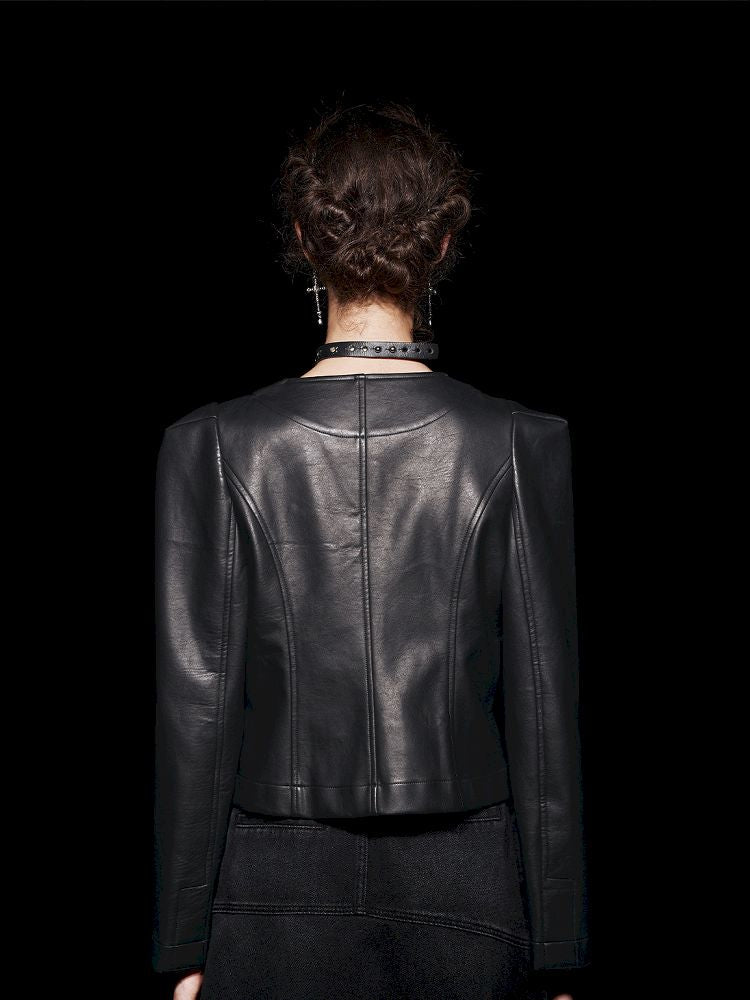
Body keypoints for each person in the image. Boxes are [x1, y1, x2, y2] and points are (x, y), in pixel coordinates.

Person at [152, 101, 590, 1000]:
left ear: (305, 238)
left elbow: (197, 712)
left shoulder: (216, 445)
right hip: (469, 877)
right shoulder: (518, 443)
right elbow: (546, 714)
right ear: (441, 244)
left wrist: (181, 945)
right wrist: (559, 951)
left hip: (269, 882)